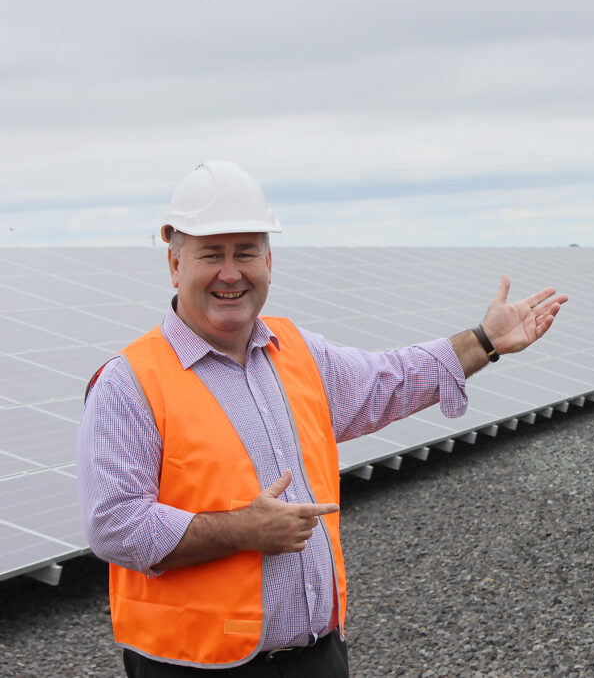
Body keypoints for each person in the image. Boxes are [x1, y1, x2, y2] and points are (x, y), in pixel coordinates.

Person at [77, 161, 568, 676]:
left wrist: (484, 341)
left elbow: (387, 380)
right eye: (211, 254)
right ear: (175, 264)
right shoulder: (128, 382)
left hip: (317, 658)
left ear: (268, 260)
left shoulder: (298, 352)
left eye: (246, 252)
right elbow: (115, 526)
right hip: (194, 667)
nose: (230, 272)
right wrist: (242, 529)